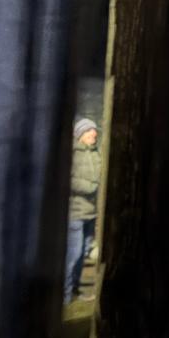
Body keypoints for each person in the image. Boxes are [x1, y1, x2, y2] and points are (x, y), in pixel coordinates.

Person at [65, 117, 101, 303]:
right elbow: (69, 180)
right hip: (76, 213)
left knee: (84, 252)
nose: (93, 134)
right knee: (74, 254)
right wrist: (91, 186)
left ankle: (75, 290)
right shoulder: (73, 153)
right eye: (89, 131)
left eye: (94, 131)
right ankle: (65, 295)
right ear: (80, 134)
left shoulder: (95, 152)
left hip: (91, 212)